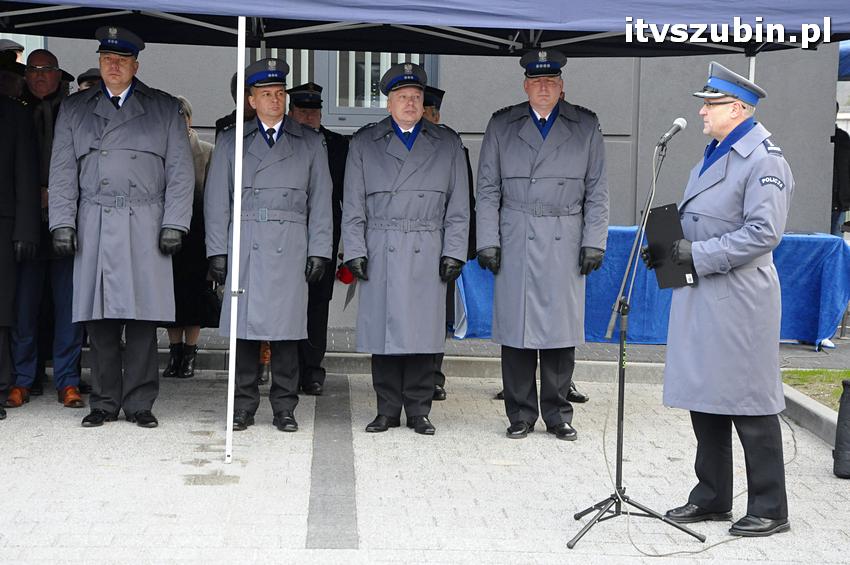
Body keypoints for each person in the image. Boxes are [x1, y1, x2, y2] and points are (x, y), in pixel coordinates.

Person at [642, 61, 793, 537]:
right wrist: (668, 249)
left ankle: (771, 506)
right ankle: (711, 496)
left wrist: (696, 253)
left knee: (749, 401)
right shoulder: (711, 153)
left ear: (739, 109)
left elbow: (763, 234)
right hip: (702, 290)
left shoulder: (765, 161)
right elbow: (703, 217)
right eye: (704, 104)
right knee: (705, 399)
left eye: (710, 105)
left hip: (739, 299)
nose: (702, 112)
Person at [49, 26, 194, 429]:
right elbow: (62, 171)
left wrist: (175, 223)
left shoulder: (163, 108)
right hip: (94, 219)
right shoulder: (76, 109)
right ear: (99, 62)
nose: (113, 66)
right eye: (106, 59)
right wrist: (61, 221)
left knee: (143, 317)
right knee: (100, 317)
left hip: (145, 221)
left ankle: (141, 402)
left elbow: (181, 173)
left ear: (135, 65)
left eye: (121, 60)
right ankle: (105, 400)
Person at [476, 50, 608, 441]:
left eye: (550, 82)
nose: (543, 88)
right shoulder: (502, 124)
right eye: (536, 82)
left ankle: (558, 414)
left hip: (564, 235)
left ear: (562, 86)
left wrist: (594, 241)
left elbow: (598, 190)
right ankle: (519, 414)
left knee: (559, 331)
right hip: (516, 233)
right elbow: (487, 189)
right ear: (526, 85)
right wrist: (488, 239)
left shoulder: (585, 125)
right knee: (516, 331)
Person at [205, 58, 333, 433]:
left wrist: (319, 250)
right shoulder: (232, 140)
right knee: (245, 331)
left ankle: (284, 407)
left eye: (279, 94)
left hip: (291, 244)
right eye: (266, 94)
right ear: (251, 99)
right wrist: (217, 251)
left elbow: (321, 202)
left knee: (287, 332)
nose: (274, 100)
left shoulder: (309, 142)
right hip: (247, 241)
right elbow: (216, 201)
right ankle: (243, 405)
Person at [342, 62, 470, 435]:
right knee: (383, 332)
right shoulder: (365, 143)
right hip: (381, 244)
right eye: (402, 97)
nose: (410, 103)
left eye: (415, 97)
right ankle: (386, 409)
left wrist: (455, 252)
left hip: (427, 246)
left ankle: (418, 409)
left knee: (422, 334)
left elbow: (459, 207)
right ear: (389, 103)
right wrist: (354, 249)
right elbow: (352, 205)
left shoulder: (446, 143)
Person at [6, 49, 85, 411]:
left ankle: (67, 380)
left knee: (69, 304)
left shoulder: (74, 110)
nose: (39, 76)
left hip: (68, 219)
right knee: (24, 304)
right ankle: (24, 378)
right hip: (24, 222)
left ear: (58, 74)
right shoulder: (12, 109)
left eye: (46, 70)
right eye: (33, 70)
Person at [287, 81, 349, 396]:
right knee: (288, 302)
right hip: (287, 235)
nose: (309, 117)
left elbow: (348, 197)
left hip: (324, 234)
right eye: (302, 110)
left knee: (317, 305)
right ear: (291, 111)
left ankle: (313, 371)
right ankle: (288, 369)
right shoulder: (283, 140)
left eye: (314, 111)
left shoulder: (338, 145)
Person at [420, 85, 477, 402]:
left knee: (439, 315)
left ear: (436, 115)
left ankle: (434, 376)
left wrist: (462, 250)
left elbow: (464, 202)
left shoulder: (452, 146)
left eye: (427, 111)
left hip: (443, 242)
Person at [161, 95, 216, 380]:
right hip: (168, 238)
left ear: (190, 119)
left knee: (194, 299)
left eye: (182, 115)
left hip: (198, 237)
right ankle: (174, 352)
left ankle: (190, 354)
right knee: (171, 299)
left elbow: (215, 199)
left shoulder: (207, 152)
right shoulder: (161, 150)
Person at [0, 93, 40, 421]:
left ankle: (1, 386)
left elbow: (26, 174)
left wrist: (26, 229)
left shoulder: (14, 113)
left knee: (2, 310)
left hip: (4, 224)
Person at [832, 101, 850, 236]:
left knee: (837, 245)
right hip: (822, 201)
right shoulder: (815, 138)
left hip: (840, 202)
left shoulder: (844, 138)